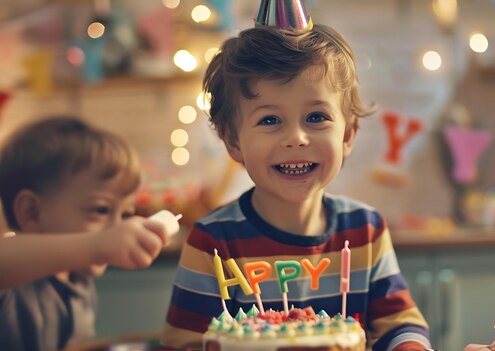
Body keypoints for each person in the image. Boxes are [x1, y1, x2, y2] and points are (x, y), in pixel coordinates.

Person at [161, 4, 432, 351]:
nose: (297, 138)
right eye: (270, 120)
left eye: (316, 117)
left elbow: (402, 326)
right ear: (233, 141)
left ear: (348, 135)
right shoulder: (212, 242)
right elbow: (182, 344)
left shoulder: (365, 231)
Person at [0, 116, 169, 350]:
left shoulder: (80, 282)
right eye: (101, 210)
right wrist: (96, 245)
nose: (118, 228)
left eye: (126, 214)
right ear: (32, 213)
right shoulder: (16, 287)